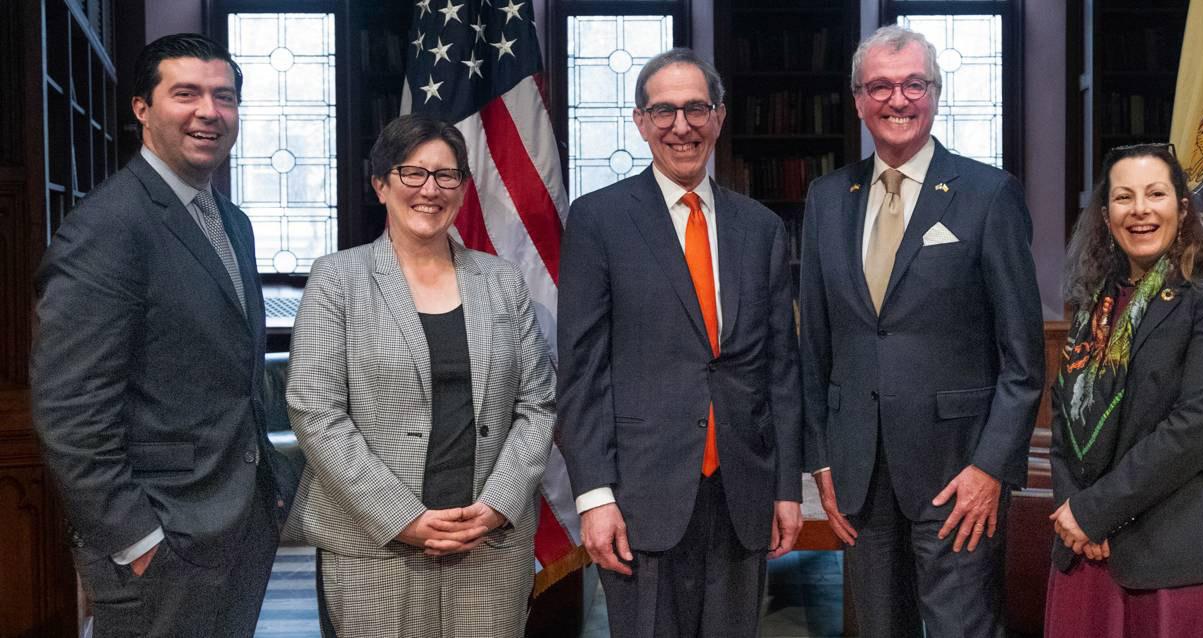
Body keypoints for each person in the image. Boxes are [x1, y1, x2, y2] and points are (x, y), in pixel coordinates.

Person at [31, 33, 295, 636]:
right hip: (162, 541)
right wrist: (136, 538)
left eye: (224, 97)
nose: (209, 111)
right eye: (187, 94)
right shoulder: (106, 227)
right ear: (142, 109)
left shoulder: (231, 220)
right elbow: (70, 409)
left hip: (239, 523)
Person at [798, 25, 1044, 637]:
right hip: (859, 471)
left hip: (958, 473)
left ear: (935, 93)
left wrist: (992, 468)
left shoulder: (988, 195)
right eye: (881, 86)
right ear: (858, 98)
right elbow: (816, 345)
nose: (897, 100)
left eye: (913, 84)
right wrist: (822, 460)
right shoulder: (827, 197)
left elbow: (1023, 358)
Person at [557, 48, 803, 636]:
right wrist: (593, 495)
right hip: (639, 497)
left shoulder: (761, 229)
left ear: (718, 117)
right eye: (663, 111)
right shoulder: (599, 221)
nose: (681, 126)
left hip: (742, 495)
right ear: (640, 122)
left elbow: (781, 372)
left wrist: (785, 487)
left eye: (696, 109)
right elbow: (582, 372)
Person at [283, 114, 556, 637]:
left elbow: (537, 405)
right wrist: (399, 516)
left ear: (462, 189)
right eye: (413, 174)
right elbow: (315, 410)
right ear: (381, 184)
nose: (430, 189)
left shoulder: (501, 282)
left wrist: (498, 505)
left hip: (488, 547)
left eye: (446, 175)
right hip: (373, 548)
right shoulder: (337, 279)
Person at [1044, 143, 1203, 637]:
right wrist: (1075, 510)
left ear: (1182, 208)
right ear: (1106, 215)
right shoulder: (1091, 310)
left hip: (1182, 560)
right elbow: (1063, 420)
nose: (1140, 209)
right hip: (1088, 555)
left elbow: (1193, 428)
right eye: (1124, 197)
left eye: (1155, 194)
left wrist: (1094, 511)